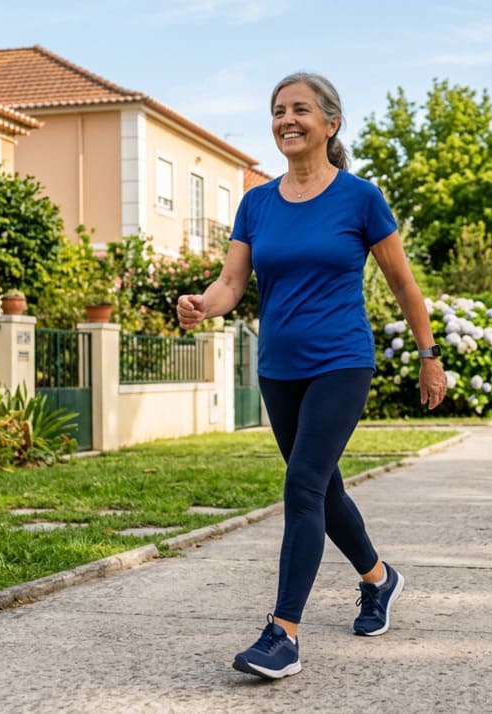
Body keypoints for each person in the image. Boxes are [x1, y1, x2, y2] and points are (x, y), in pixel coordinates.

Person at [176, 71, 446, 680]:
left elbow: (403, 283)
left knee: (301, 487)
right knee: (322, 490)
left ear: (331, 122)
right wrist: (201, 303)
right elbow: (231, 284)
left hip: (342, 363)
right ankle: (379, 579)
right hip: (279, 368)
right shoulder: (257, 203)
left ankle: (283, 635)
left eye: (300, 109)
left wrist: (430, 357)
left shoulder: (360, 197)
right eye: (277, 111)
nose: (286, 120)